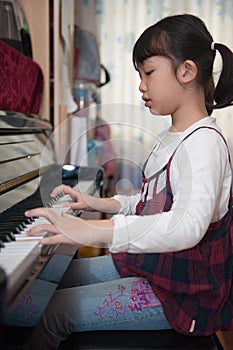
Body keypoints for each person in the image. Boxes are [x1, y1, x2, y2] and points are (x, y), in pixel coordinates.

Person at [25, 14, 233, 349]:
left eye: (148, 72)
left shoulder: (204, 143)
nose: (140, 84)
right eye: (140, 75)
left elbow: (186, 227)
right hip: (157, 269)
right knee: (54, 279)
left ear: (186, 71)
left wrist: (92, 231)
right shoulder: (171, 136)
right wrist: (98, 204)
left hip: (183, 294)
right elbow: (147, 200)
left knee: (56, 310)